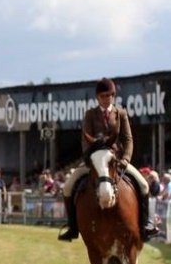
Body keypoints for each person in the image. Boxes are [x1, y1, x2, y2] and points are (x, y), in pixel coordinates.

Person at [58, 78, 158, 242]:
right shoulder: (90, 114)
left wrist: (125, 159)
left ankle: (145, 224)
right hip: (94, 160)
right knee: (68, 187)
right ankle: (72, 227)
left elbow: (128, 139)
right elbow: (85, 140)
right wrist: (90, 160)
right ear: (98, 97)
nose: (107, 98)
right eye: (104, 95)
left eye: (110, 95)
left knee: (144, 185)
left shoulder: (121, 114)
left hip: (116, 160)